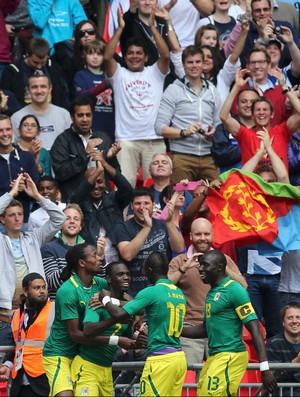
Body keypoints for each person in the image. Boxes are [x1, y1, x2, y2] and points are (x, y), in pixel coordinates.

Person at [181, 250, 277, 396]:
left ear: (220, 267)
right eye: (200, 265)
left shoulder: (234, 290)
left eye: (205, 265)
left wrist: (264, 368)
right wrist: (174, 329)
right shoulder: (212, 293)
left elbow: (254, 328)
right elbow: (204, 330)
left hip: (230, 355)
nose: (200, 269)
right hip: (215, 357)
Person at [99, 251, 187, 397]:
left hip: (161, 360)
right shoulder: (178, 292)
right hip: (178, 358)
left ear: (149, 270)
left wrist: (105, 299)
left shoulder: (151, 291)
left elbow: (119, 315)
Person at [104, 9, 169, 187]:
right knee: (124, 186)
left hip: (154, 140)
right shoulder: (119, 75)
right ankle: (123, 217)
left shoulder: (155, 73)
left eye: (139, 53)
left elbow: (165, 55)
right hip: (127, 140)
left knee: (157, 186)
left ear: (146, 56)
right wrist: (120, 29)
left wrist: (152, 28)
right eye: (130, 53)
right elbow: (107, 56)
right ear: (125, 57)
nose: (134, 56)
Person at [168, 218, 247, 365]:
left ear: (212, 236)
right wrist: (184, 268)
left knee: (218, 381)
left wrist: (223, 266)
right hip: (189, 330)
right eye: (198, 234)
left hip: (219, 330)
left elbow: (243, 286)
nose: (203, 238)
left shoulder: (225, 260)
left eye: (206, 234)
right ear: (190, 236)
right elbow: (164, 288)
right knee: (188, 382)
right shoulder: (179, 261)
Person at [0, 172, 66, 347]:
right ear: (2, 218)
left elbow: (60, 218)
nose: (17, 218)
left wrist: (37, 196)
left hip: (33, 311)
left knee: (32, 357)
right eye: (12, 215)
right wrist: (12, 194)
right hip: (5, 314)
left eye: (20, 214)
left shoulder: (33, 237)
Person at [42, 243, 110, 397]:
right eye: (94, 255)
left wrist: (110, 299)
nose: (99, 258)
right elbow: (75, 334)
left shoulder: (100, 284)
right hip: (59, 353)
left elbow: (127, 300)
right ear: (82, 263)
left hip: (81, 355)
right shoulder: (67, 290)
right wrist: (115, 340)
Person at [155, 45, 221, 183]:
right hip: (181, 156)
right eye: (190, 62)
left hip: (208, 156)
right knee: (181, 200)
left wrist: (215, 130)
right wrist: (184, 132)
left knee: (217, 197)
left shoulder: (213, 90)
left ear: (203, 64)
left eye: (198, 62)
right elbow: (160, 128)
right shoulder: (173, 89)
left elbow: (219, 123)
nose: (194, 66)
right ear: (183, 65)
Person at [72, 261, 136, 396]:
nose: (126, 277)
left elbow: (129, 337)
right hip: (87, 368)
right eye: (120, 274)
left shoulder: (128, 307)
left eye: (128, 274)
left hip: (106, 371)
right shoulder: (96, 302)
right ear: (109, 279)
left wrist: (141, 339)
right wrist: (116, 323)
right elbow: (88, 330)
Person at [220, 67, 300, 170]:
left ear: (272, 114)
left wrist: (284, 86)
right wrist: (236, 87)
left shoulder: (282, 131)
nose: (261, 112)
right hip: (252, 185)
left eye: (265, 109)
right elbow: (224, 116)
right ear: (252, 115)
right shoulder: (245, 134)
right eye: (257, 110)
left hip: (278, 185)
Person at [113, 186, 185, 296]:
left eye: (146, 203)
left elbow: (179, 248)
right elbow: (127, 255)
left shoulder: (163, 224)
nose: (142, 207)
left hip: (162, 290)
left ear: (153, 204)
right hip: (134, 293)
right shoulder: (122, 227)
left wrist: (169, 222)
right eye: (137, 203)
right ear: (132, 206)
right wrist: (147, 227)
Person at [50, 95, 119, 202]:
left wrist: (110, 158)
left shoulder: (103, 138)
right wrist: (85, 153)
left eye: (88, 115)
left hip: (102, 199)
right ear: (72, 117)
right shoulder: (62, 141)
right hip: (75, 200)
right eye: (80, 115)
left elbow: (116, 173)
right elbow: (61, 173)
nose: (85, 119)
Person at [0, 273, 54, 396]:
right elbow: (18, 345)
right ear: (25, 292)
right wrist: (8, 365)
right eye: (37, 288)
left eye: (43, 287)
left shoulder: (55, 309)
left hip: (45, 377)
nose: (42, 291)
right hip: (20, 380)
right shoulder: (16, 315)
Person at [69, 152, 132, 253]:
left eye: (99, 181)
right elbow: (74, 200)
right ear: (86, 184)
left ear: (105, 183)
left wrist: (104, 164)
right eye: (92, 182)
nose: (96, 186)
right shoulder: (80, 204)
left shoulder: (114, 199)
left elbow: (127, 190)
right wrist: (98, 170)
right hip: (92, 257)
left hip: (117, 256)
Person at [11, 71, 72, 150]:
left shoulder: (64, 114)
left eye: (43, 86)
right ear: (28, 90)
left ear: (50, 89)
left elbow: (71, 144)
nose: (39, 91)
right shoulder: (17, 117)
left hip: (60, 161)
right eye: (34, 87)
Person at [1, 37, 68, 108]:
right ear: (27, 54)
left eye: (42, 63)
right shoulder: (12, 72)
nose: (39, 66)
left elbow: (62, 95)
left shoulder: (53, 68)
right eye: (35, 62)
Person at [41, 204, 86, 300]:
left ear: (81, 226)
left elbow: (99, 281)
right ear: (60, 224)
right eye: (67, 218)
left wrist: (100, 257)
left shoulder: (88, 249)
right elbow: (52, 282)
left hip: (86, 304)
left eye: (76, 219)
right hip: (61, 305)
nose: (72, 222)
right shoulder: (49, 248)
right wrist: (74, 258)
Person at [0, 114, 39, 223]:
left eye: (8, 129)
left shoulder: (27, 157)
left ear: (12, 131)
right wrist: (11, 191)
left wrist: (25, 188)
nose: (5, 134)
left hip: (23, 223)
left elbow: (36, 195)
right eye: (0, 130)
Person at [74, 39, 115, 141]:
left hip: (111, 123)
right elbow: (81, 97)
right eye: (91, 53)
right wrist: (104, 85)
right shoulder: (81, 75)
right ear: (84, 55)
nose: (95, 57)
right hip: (91, 124)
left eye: (99, 54)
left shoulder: (110, 75)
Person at [211, 87, 259, 172]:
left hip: (258, 178)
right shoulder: (224, 127)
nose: (248, 105)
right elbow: (219, 154)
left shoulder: (264, 128)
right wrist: (251, 147)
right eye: (244, 101)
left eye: (252, 102)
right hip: (230, 178)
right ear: (237, 106)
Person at [267, 302, 300, 396]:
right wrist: (295, 363)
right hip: (282, 392)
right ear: (283, 322)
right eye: (290, 317)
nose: (294, 321)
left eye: (298, 317)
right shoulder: (274, 343)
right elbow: (272, 380)